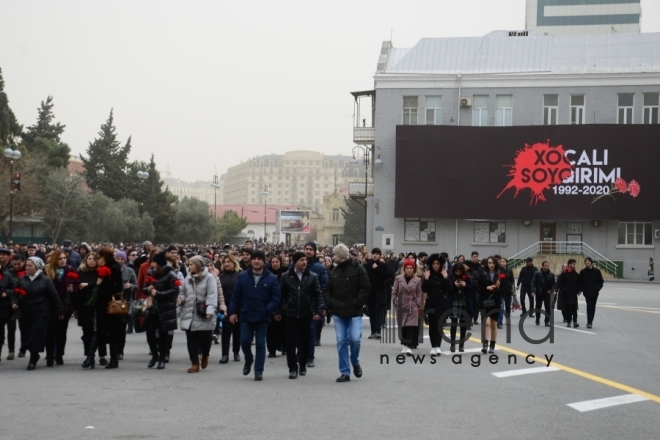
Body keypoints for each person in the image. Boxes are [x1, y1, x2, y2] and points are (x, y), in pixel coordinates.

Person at [228, 250, 281, 381]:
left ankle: (258, 371)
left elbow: (276, 297)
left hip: (263, 316)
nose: (256, 261)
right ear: (251, 261)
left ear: (264, 261)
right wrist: (233, 312)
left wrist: (267, 309)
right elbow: (235, 297)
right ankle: (249, 359)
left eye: (259, 259)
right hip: (246, 314)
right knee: (245, 341)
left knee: (261, 344)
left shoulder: (271, 278)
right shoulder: (242, 277)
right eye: (254, 259)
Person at [324, 244, 370, 383]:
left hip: (354, 311)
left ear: (341, 255)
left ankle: (355, 362)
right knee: (341, 341)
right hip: (339, 312)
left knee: (355, 339)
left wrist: (357, 302)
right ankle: (345, 371)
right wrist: (332, 303)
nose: (333, 257)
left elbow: (366, 287)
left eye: (335, 255)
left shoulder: (358, 269)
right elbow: (327, 291)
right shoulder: (335, 271)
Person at [276, 252, 323, 379]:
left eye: (305, 260)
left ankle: (302, 364)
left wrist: (319, 311)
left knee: (305, 342)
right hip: (290, 314)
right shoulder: (286, 276)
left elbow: (318, 295)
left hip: (306, 314)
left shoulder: (312, 276)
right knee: (290, 342)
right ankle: (292, 368)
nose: (304, 262)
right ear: (295, 262)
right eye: (301, 260)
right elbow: (280, 295)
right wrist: (277, 311)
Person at [13, 257, 65, 370]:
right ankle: (34, 352)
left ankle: (33, 358)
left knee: (36, 335)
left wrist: (60, 310)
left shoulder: (45, 280)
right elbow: (15, 293)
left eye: (30, 266)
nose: (27, 268)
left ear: (37, 267)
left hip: (42, 312)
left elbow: (54, 296)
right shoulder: (22, 279)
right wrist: (15, 302)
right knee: (26, 334)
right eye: (26, 265)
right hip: (25, 312)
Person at [178, 256, 218, 373]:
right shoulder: (187, 278)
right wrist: (181, 298)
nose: (189, 267)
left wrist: (210, 310)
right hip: (189, 313)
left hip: (203, 313)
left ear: (198, 265)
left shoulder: (209, 278)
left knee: (205, 339)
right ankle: (194, 363)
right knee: (191, 340)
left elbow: (212, 295)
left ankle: (205, 355)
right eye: (188, 265)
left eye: (191, 264)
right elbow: (183, 292)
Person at [143, 251, 179, 369]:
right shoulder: (151, 273)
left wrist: (158, 293)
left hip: (165, 309)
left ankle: (162, 357)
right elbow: (143, 287)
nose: (151, 264)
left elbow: (174, 291)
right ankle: (154, 355)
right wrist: (148, 289)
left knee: (163, 335)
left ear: (159, 263)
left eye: (154, 262)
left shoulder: (171, 274)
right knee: (150, 333)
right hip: (152, 308)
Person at [43, 249, 79, 366]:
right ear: (54, 260)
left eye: (64, 258)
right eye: (60, 259)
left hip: (65, 305)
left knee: (61, 332)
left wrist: (72, 288)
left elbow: (78, 284)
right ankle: (50, 354)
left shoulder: (70, 269)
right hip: (50, 305)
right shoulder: (47, 270)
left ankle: (59, 354)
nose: (63, 260)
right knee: (50, 331)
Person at [94, 248, 126, 369]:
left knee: (113, 332)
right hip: (102, 304)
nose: (97, 260)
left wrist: (103, 284)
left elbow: (117, 286)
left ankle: (114, 358)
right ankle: (98, 356)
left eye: (99, 258)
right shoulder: (103, 268)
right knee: (101, 331)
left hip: (111, 305)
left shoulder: (113, 267)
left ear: (104, 257)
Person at [392, 259, 423, 355]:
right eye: (407, 268)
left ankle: (409, 346)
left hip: (412, 304)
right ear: (404, 269)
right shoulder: (398, 278)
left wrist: (417, 303)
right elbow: (394, 292)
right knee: (403, 326)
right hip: (402, 304)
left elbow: (419, 293)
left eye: (411, 268)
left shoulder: (417, 280)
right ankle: (404, 344)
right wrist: (396, 303)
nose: (409, 270)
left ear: (413, 269)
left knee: (411, 326)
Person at [422, 254, 450, 355]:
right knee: (432, 326)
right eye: (433, 263)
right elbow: (424, 289)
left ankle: (438, 346)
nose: (435, 265)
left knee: (439, 325)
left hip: (442, 303)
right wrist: (426, 279)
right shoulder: (428, 274)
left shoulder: (444, 274)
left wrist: (446, 278)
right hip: (431, 303)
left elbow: (449, 288)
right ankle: (433, 345)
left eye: (438, 263)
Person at [76, 252, 101, 369]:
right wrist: (75, 308)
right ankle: (88, 355)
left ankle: (92, 356)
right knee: (87, 332)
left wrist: (88, 285)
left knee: (96, 331)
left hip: (97, 305)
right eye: (89, 259)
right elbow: (76, 291)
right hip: (83, 306)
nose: (91, 261)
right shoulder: (80, 273)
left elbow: (101, 285)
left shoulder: (100, 272)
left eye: (94, 259)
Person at [218, 254, 241, 364]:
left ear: (234, 263)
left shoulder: (240, 275)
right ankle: (224, 354)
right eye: (225, 262)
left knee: (237, 332)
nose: (226, 264)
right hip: (225, 307)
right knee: (226, 332)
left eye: (229, 262)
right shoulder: (220, 276)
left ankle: (236, 352)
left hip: (239, 307)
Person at [478, 257, 503, 354]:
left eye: (493, 262)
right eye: (489, 263)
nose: (491, 264)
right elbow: (478, 287)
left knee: (494, 324)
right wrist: (486, 288)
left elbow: (505, 289)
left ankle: (492, 345)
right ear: (486, 264)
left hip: (495, 302)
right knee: (486, 323)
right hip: (484, 301)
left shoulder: (500, 275)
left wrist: (498, 287)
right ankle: (485, 344)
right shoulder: (482, 274)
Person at [114, 251, 137, 357]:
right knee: (112, 328)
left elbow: (137, 285)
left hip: (124, 303)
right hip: (112, 303)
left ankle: (120, 351)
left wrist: (130, 286)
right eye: (117, 258)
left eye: (122, 259)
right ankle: (113, 350)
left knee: (121, 328)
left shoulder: (129, 271)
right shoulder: (110, 270)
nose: (119, 261)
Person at [364, 247, 390, 340]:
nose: (375, 255)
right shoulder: (366, 265)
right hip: (370, 293)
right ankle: (373, 331)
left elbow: (387, 276)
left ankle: (378, 331)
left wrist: (378, 268)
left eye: (377, 254)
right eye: (373, 253)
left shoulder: (384, 266)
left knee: (378, 311)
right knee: (372, 312)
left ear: (379, 255)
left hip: (380, 292)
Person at [448, 263, 474, 352]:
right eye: (456, 271)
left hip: (463, 302)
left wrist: (465, 285)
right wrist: (454, 285)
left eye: (460, 271)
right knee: (454, 322)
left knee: (463, 324)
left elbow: (472, 288)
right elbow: (447, 289)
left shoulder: (467, 277)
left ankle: (461, 345)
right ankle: (452, 344)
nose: (458, 273)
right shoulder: (451, 277)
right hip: (454, 302)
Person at [266, 255, 286, 358]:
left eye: (277, 262)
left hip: (284, 306)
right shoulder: (267, 275)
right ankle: (271, 350)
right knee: (271, 331)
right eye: (273, 262)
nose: (275, 264)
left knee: (284, 329)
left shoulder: (285, 274)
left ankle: (284, 347)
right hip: (270, 306)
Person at [579, 257, 603, 329]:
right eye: (586, 261)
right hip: (587, 293)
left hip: (595, 292)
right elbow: (580, 282)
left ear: (591, 262)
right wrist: (583, 289)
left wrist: (597, 288)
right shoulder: (582, 272)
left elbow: (601, 281)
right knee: (589, 306)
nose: (587, 262)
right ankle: (589, 322)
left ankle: (591, 320)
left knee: (593, 306)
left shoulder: (597, 271)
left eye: (588, 261)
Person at [0, 253, 16, 361]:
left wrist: (7, 293)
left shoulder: (7, 276)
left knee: (11, 329)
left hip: (8, 307)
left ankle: (11, 351)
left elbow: (14, 289)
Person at [557, 259, 581, 328]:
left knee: (574, 308)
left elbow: (579, 284)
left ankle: (575, 321)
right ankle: (568, 321)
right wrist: (564, 289)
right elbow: (560, 283)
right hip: (566, 294)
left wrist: (578, 290)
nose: (574, 265)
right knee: (567, 308)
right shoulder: (564, 274)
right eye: (573, 264)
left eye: (575, 264)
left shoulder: (576, 274)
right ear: (569, 264)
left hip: (573, 294)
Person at [531, 261, 555, 327]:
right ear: (542, 266)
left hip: (547, 294)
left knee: (548, 307)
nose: (547, 267)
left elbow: (554, 285)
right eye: (545, 265)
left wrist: (551, 290)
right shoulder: (537, 273)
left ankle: (547, 321)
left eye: (548, 265)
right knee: (538, 307)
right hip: (539, 293)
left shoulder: (551, 274)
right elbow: (533, 282)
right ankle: (537, 319)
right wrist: (533, 291)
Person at [464, 251, 483, 325]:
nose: (475, 258)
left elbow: (480, 277)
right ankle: (469, 319)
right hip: (468, 289)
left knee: (476, 304)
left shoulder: (480, 267)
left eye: (476, 257)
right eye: (474, 257)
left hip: (477, 289)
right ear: (471, 257)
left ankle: (475, 318)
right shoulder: (468, 265)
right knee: (469, 304)